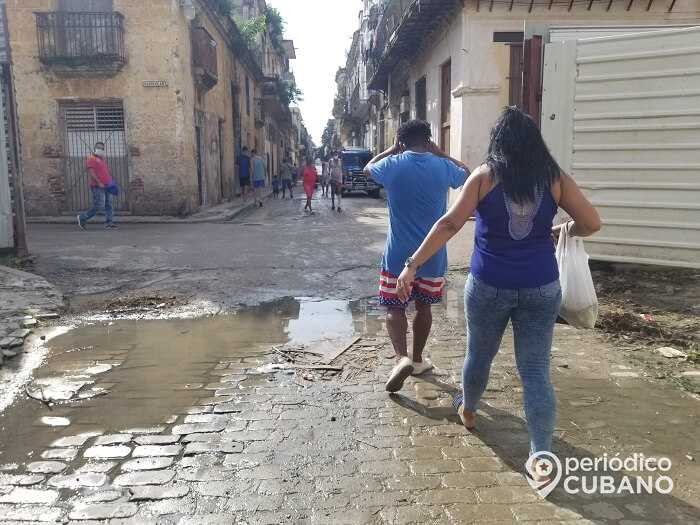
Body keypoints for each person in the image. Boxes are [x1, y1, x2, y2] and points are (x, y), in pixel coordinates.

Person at [395, 107, 601, 480]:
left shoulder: (484, 176)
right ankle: (540, 457)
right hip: (541, 288)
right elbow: (591, 222)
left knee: (480, 354)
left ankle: (469, 411)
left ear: (498, 143)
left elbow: (449, 223)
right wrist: (561, 229)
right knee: (536, 370)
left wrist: (412, 264)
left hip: (489, 285)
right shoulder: (554, 178)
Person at [364, 120, 468, 392]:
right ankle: (418, 360)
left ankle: (401, 359)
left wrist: (389, 151)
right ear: (429, 140)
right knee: (424, 307)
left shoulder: (392, 164)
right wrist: (442, 154)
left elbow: (366, 169)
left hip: (397, 256)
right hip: (433, 256)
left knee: (394, 307)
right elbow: (467, 173)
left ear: (401, 143)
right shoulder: (443, 166)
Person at [77, 141, 118, 230]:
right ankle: (82, 217)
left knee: (109, 205)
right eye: (98, 148)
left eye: (102, 148)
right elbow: (91, 172)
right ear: (95, 148)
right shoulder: (91, 158)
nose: (100, 150)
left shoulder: (101, 158)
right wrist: (99, 182)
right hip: (97, 186)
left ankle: (109, 223)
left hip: (107, 186)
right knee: (98, 206)